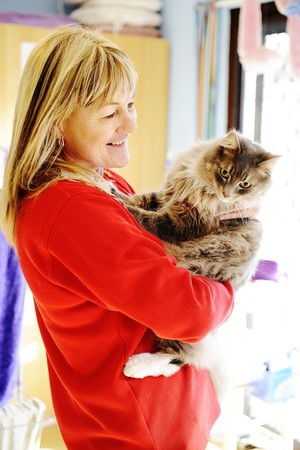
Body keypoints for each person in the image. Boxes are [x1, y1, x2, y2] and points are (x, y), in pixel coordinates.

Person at [0, 25, 238, 450]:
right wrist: (229, 285)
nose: (130, 122)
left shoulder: (99, 182)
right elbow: (191, 312)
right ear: (56, 124)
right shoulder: (70, 208)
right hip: (137, 432)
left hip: (139, 420)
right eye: (110, 113)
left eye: (129, 104)